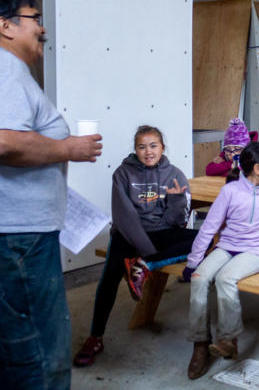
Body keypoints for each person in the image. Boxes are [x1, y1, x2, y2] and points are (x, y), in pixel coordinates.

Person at [0, 0, 103, 390]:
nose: (42, 27)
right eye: (34, 17)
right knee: (38, 356)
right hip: (10, 243)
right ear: (5, 25)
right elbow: (1, 142)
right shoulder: (2, 66)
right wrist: (69, 149)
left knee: (1, 350)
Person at [73, 125, 197, 367]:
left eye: (153, 146)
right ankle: (95, 338)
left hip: (160, 232)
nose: (148, 152)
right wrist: (148, 251)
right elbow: (125, 218)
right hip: (127, 235)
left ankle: (144, 265)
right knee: (109, 276)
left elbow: (177, 222)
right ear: (135, 149)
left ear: (162, 147)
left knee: (204, 240)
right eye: (142, 147)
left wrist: (176, 199)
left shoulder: (175, 174)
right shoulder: (122, 173)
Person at [182, 141, 259, 379]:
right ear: (258, 169)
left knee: (225, 278)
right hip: (228, 246)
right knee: (199, 278)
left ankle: (228, 339)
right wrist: (193, 262)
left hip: (257, 250)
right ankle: (200, 343)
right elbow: (209, 227)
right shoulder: (229, 191)